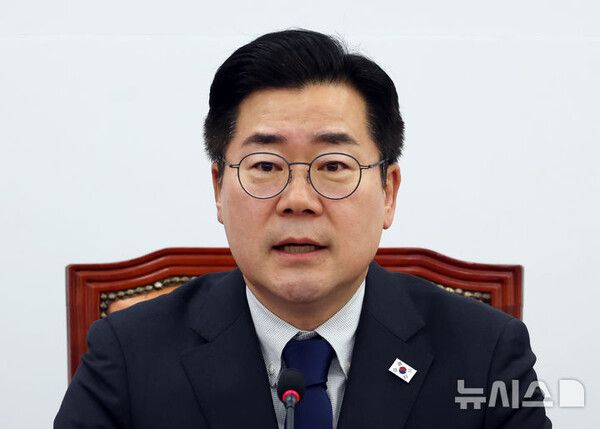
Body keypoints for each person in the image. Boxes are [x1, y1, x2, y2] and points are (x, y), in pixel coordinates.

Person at [55, 29, 551, 428]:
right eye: (265, 166)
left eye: (334, 165)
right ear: (218, 189)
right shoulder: (128, 353)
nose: (297, 200)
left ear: (389, 192)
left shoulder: (485, 353)